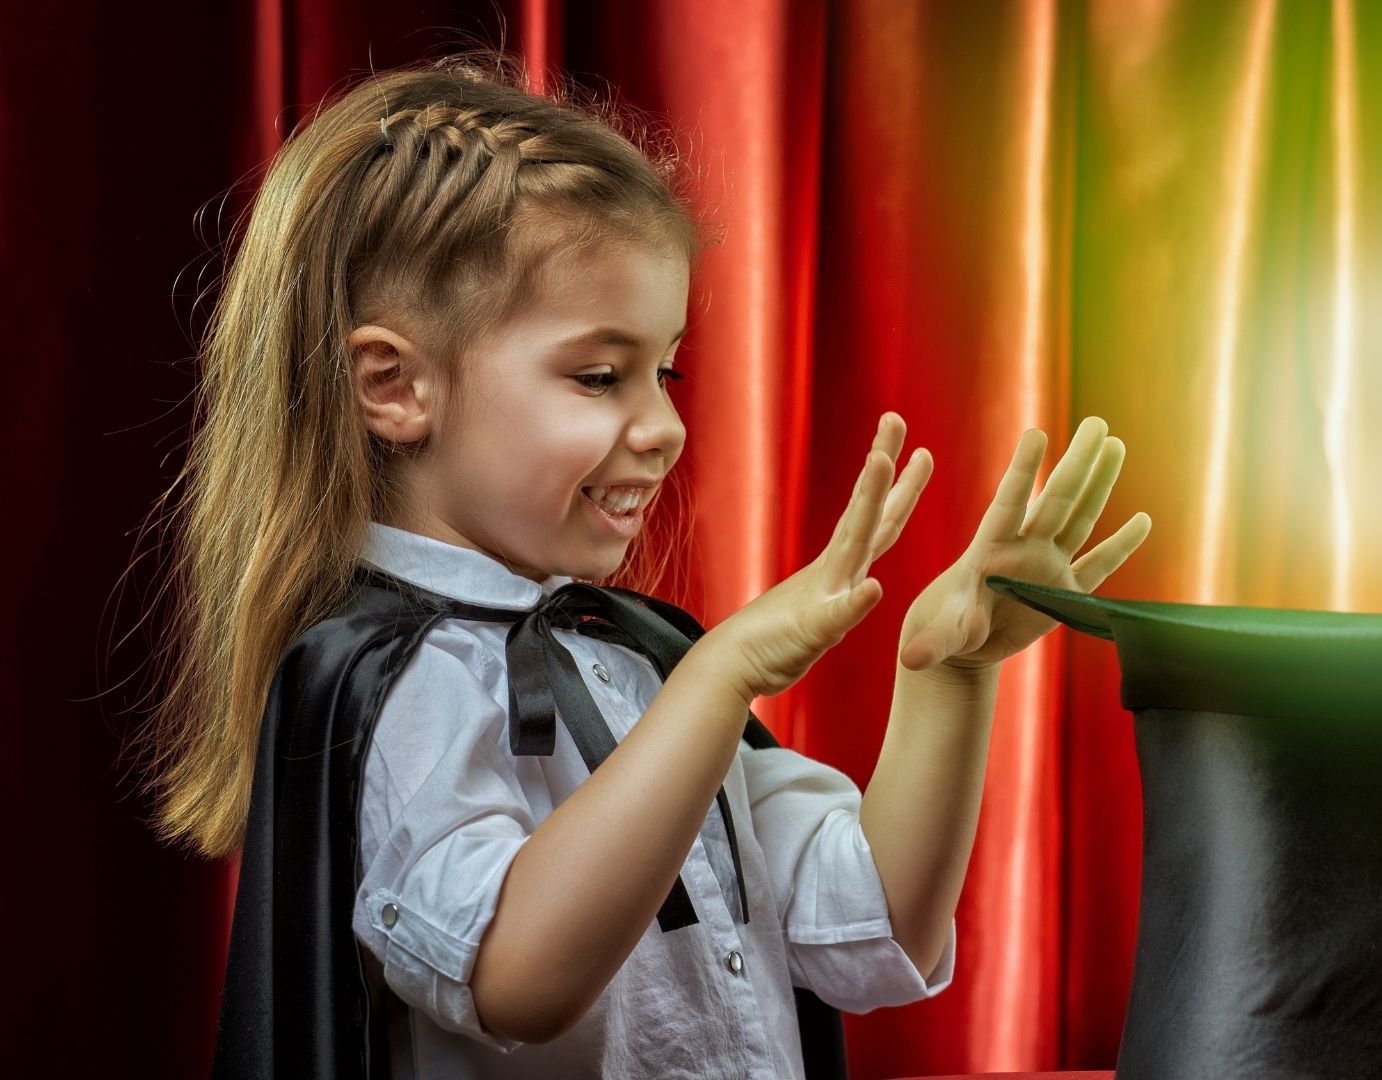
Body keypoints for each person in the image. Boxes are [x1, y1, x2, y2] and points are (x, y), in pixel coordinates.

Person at [134, 49, 1151, 1079]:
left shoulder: (639, 664)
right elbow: (518, 979)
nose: (663, 425)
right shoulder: (396, 693)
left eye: (664, 370)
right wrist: (718, 683)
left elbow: (869, 926)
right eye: (599, 375)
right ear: (396, 388)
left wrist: (948, 678)